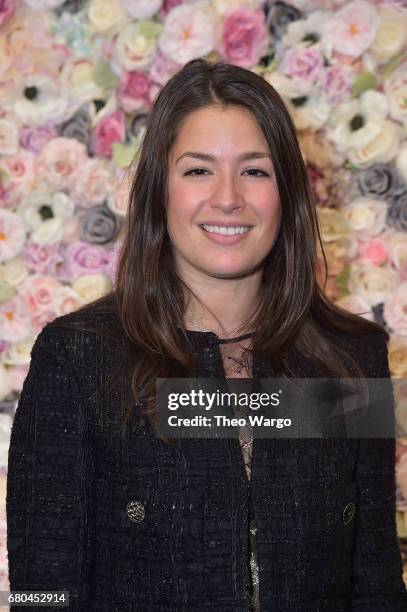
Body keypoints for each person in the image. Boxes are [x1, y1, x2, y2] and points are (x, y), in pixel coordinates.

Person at [6, 58, 407, 611]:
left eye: (255, 170)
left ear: (287, 192)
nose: (228, 198)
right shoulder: (81, 357)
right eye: (198, 170)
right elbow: (41, 594)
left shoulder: (348, 358)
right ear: (158, 191)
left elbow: (378, 581)